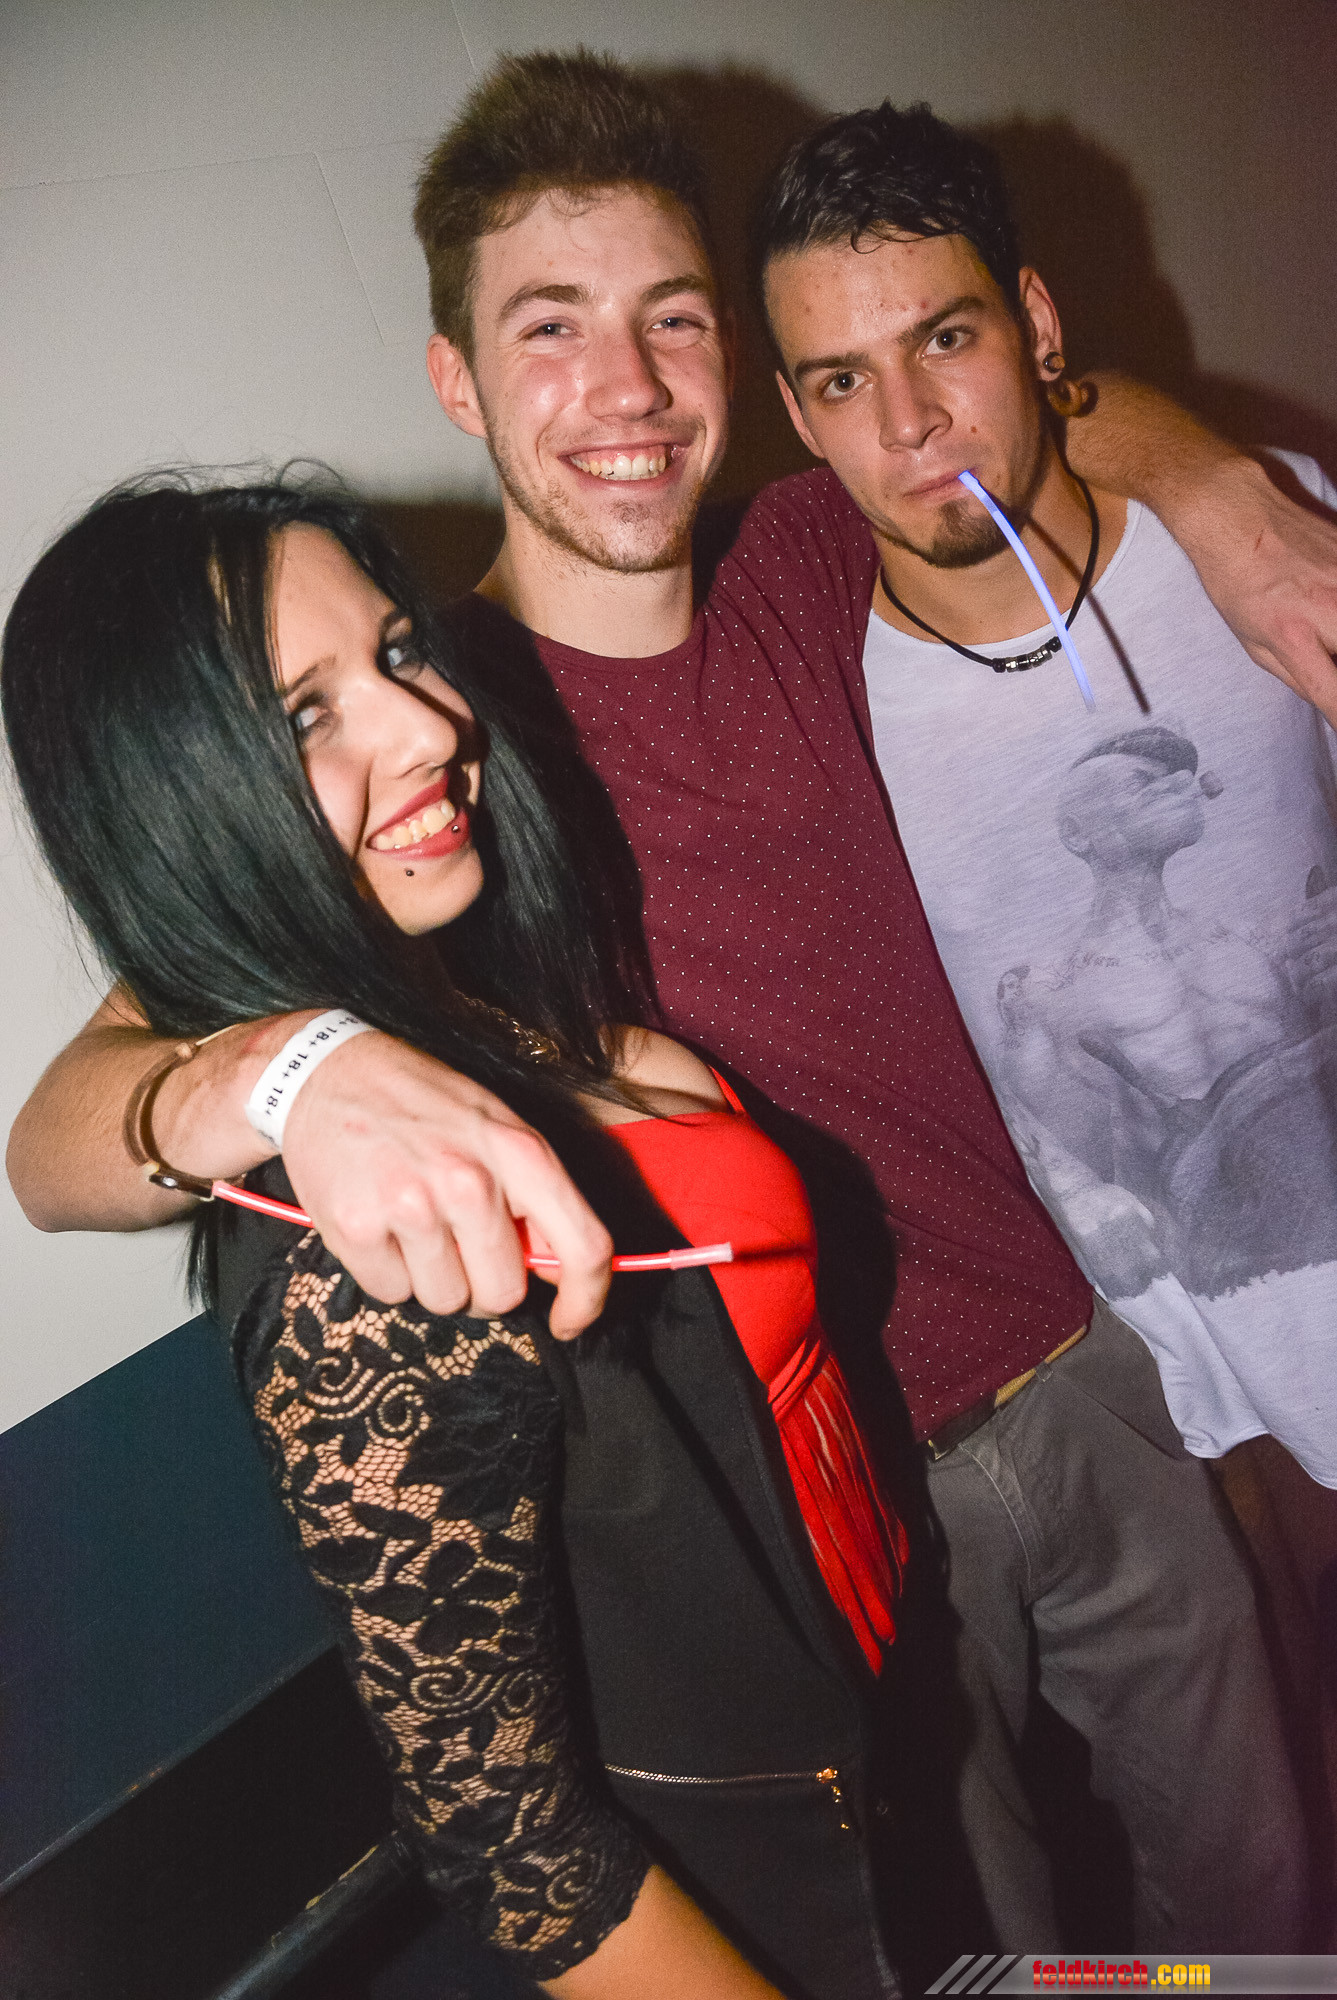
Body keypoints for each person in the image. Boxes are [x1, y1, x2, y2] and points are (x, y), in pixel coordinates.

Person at [6, 52, 1330, 1956]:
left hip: (1087, 1371)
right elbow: (56, 1141)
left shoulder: (804, 553)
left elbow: (1006, 414)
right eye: (550, 328)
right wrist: (291, 1071)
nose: (625, 388)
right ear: (456, 378)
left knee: (1263, 1895)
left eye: (674, 319)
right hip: (845, 1500)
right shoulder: (429, 726)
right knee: (990, 1948)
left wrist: (1222, 496)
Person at [1, 474, 913, 2000]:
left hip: (891, 1712)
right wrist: (291, 1070)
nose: (427, 727)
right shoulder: (366, 1263)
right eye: (305, 715)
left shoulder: (451, 993)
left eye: (397, 653)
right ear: (180, 804)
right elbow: (517, 1858)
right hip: (789, 1892)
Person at [754, 97, 1337, 1943]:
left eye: (943, 339)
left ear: (1034, 323)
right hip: (1134, 1384)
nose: (909, 423)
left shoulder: (1267, 539)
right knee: (1280, 1844)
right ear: (793, 417)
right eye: (838, 381)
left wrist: (1221, 487)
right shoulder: (825, 699)